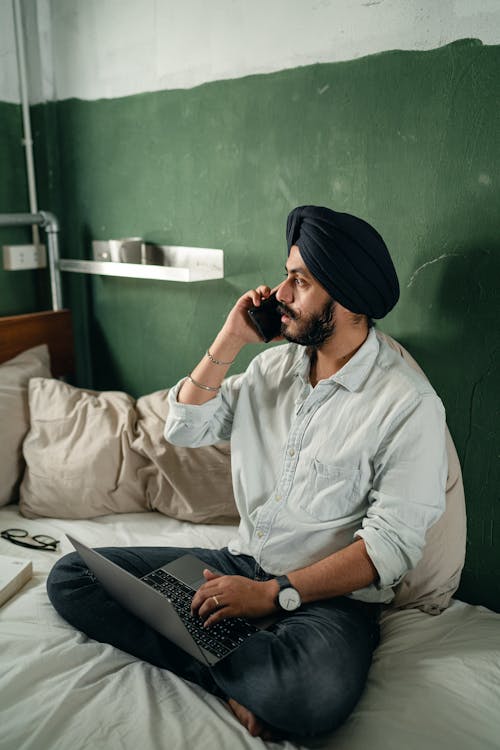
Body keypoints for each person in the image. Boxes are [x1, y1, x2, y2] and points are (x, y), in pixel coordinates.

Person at [47, 205, 447, 740]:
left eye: (299, 281)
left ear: (347, 298)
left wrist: (274, 594)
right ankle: (235, 680)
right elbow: (184, 427)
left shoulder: (408, 404)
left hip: (330, 602)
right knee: (76, 577)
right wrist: (230, 339)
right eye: (287, 276)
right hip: (239, 564)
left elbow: (389, 547)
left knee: (313, 697)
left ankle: (251, 668)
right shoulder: (269, 368)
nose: (280, 293)